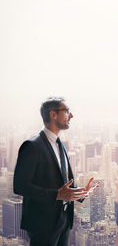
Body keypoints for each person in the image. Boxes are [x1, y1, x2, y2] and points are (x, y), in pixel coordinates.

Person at [13, 97, 99, 246]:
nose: (71, 116)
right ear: (53, 114)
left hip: (64, 221)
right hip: (42, 223)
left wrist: (81, 193)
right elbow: (20, 186)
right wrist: (57, 195)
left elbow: (62, 182)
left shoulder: (62, 145)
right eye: (67, 111)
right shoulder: (32, 146)